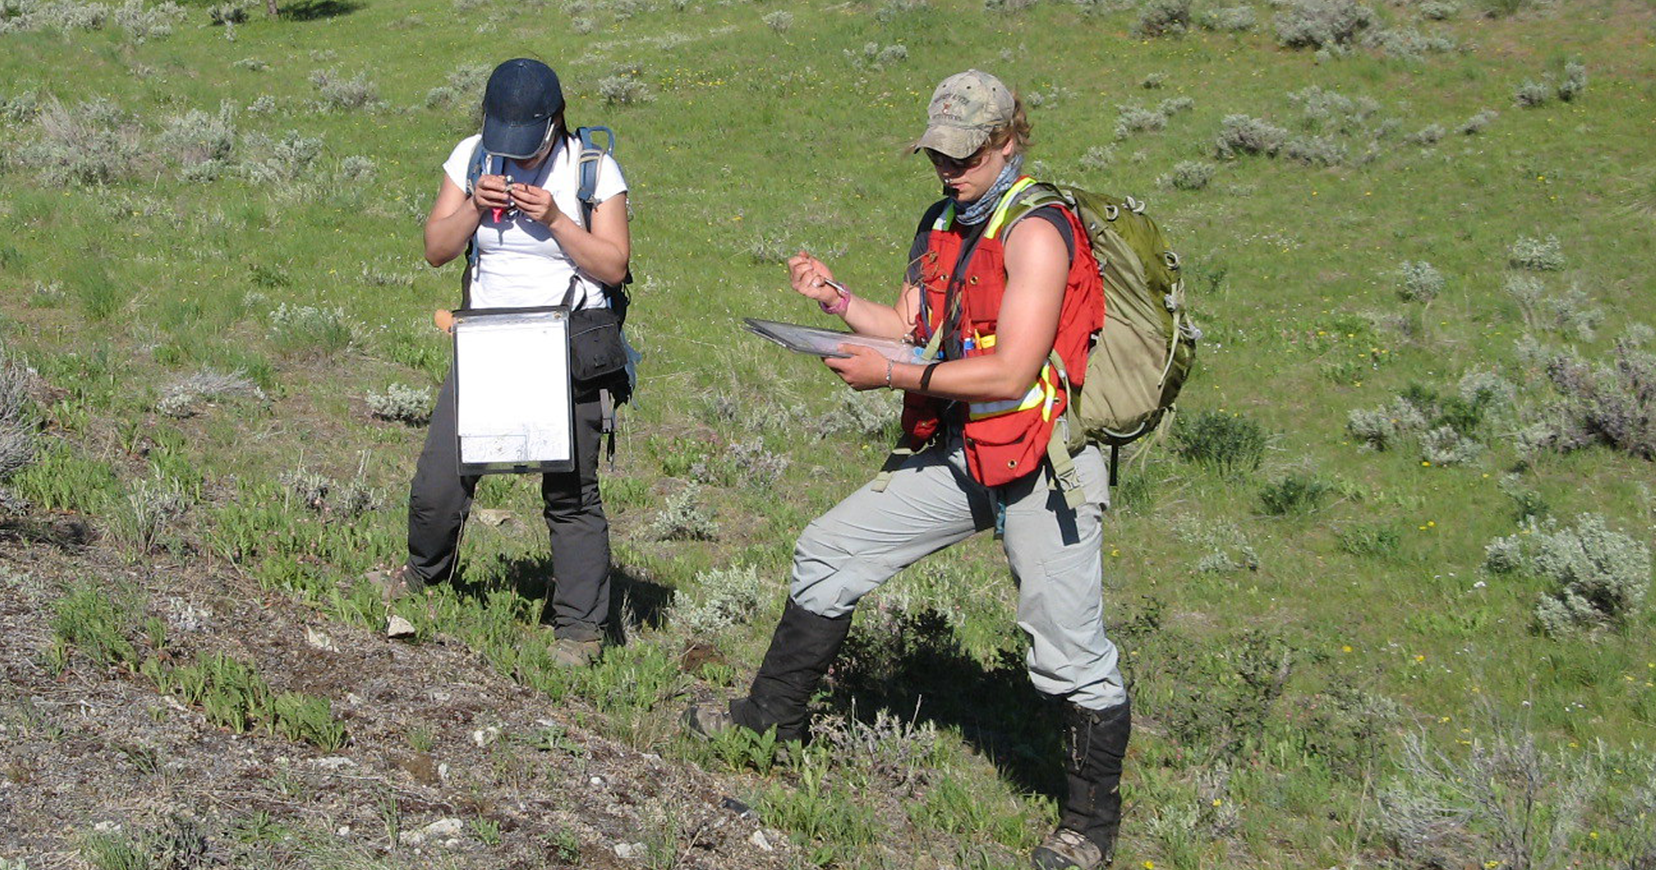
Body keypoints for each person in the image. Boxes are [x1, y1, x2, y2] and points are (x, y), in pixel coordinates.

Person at [684, 70, 1130, 870]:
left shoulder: (1036, 230)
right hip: (969, 450)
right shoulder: (944, 221)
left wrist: (888, 377)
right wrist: (836, 302)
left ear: (1007, 141)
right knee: (829, 550)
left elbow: (1011, 371)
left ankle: (1089, 828)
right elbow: (913, 328)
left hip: (1042, 461)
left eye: (964, 156)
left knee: (1065, 648)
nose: (947, 169)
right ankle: (769, 723)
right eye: (937, 155)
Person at [387, 57, 631, 668]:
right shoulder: (471, 155)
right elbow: (436, 250)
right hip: (488, 343)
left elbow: (613, 266)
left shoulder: (592, 170)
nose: (517, 157)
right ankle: (421, 577)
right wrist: (473, 205)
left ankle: (579, 631)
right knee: (442, 476)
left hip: (569, 341)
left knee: (571, 492)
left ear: (556, 122)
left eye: (530, 144)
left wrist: (553, 218)